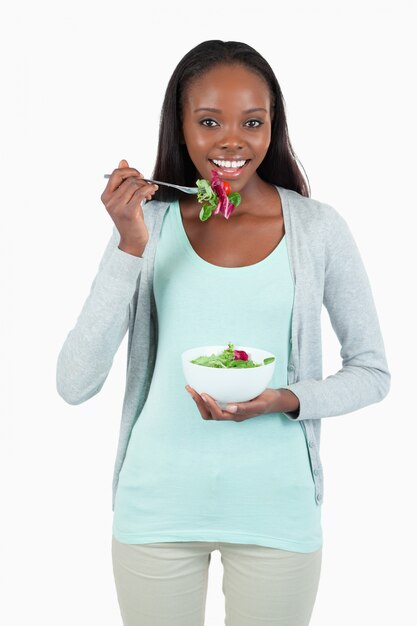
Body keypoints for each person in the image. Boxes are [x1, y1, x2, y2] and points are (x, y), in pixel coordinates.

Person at [56, 40, 390, 626]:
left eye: (252, 122)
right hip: (155, 511)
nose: (231, 141)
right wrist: (129, 245)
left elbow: (372, 372)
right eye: (209, 121)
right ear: (181, 128)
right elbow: (74, 383)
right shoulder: (146, 225)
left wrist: (286, 399)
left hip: (276, 513)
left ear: (272, 128)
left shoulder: (318, 229)